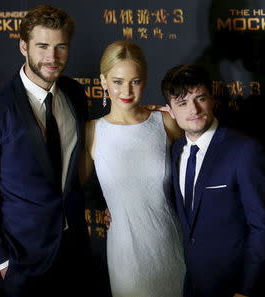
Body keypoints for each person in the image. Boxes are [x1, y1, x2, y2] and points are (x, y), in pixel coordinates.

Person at [0, 5, 90, 297]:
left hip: (75, 250)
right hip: (23, 258)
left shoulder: (75, 94)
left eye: (60, 47)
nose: (52, 58)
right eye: (42, 46)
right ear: (23, 46)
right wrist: (1, 260)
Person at [80, 40, 186, 297]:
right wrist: (112, 206)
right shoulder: (92, 131)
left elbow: (198, 173)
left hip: (170, 247)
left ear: (145, 80)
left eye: (135, 81)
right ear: (103, 81)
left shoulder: (165, 122)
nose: (126, 90)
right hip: (125, 256)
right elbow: (74, 189)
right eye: (117, 81)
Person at [161, 64, 265, 297]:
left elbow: (261, 227)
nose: (194, 109)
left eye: (200, 98)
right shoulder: (175, 151)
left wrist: (245, 289)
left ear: (211, 99)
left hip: (234, 286)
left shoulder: (244, 150)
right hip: (192, 284)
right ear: (170, 112)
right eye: (182, 103)